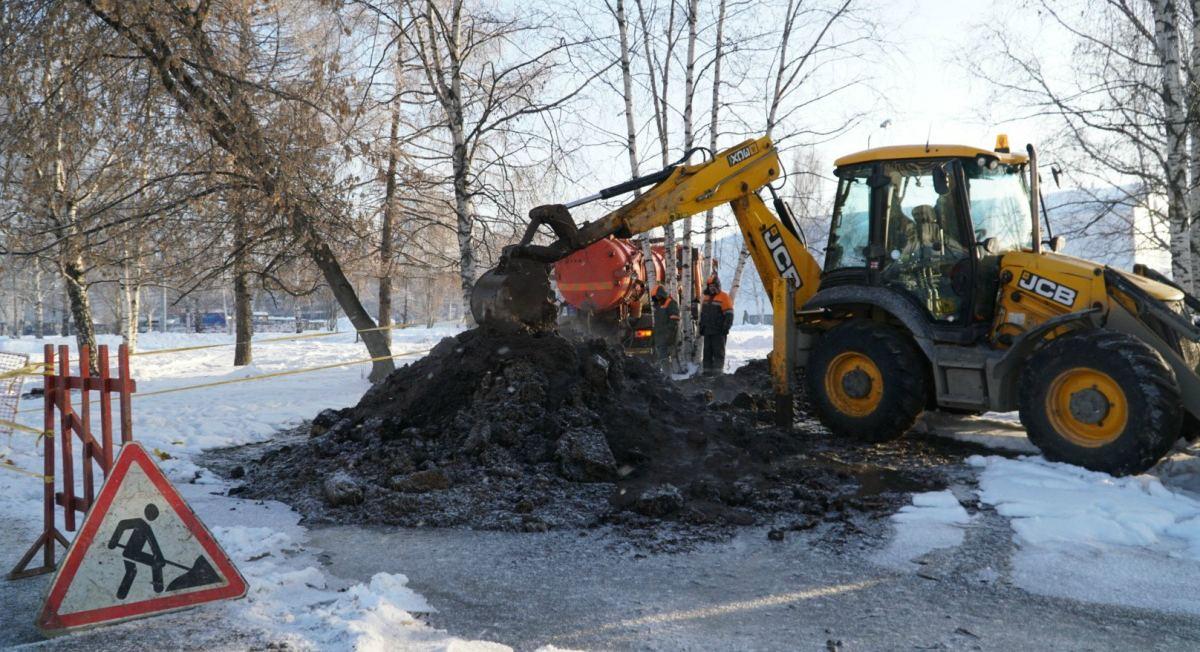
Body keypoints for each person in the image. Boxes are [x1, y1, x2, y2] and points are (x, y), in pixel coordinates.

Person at [108, 503, 166, 599]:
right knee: (136, 569)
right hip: (131, 552)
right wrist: (113, 541)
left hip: (134, 552)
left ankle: (121, 595)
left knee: (135, 570)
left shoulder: (145, 526)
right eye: (152, 514)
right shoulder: (140, 523)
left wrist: (159, 556)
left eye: (154, 515)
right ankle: (157, 586)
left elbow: (153, 544)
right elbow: (122, 524)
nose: (152, 516)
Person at [698, 274, 734, 375]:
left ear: (717, 286)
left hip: (719, 331)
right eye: (710, 286)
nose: (711, 288)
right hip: (707, 330)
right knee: (707, 353)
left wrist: (726, 327)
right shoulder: (706, 297)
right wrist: (701, 326)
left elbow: (729, 314)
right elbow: (703, 314)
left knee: (718, 353)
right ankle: (707, 373)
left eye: (713, 286)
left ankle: (718, 374)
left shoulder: (724, 297)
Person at [651, 285, 679, 370]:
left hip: (667, 335)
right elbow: (657, 323)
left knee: (664, 357)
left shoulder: (671, 303)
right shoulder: (657, 306)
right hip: (659, 336)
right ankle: (663, 375)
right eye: (656, 297)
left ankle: (668, 375)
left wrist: (669, 333)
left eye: (658, 296)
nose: (657, 298)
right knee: (660, 357)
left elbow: (674, 319)